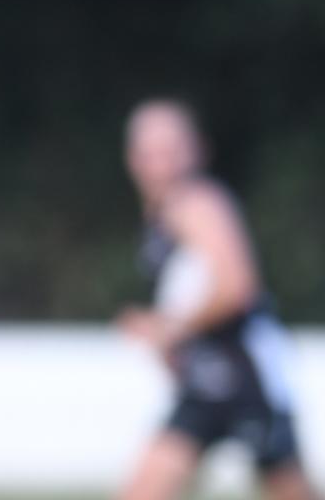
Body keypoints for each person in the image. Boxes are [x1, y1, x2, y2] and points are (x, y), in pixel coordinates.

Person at [117, 98, 315, 500]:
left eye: (172, 150)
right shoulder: (162, 212)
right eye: (150, 153)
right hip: (207, 379)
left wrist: (168, 328)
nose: (162, 163)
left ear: (197, 151)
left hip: (244, 377)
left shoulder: (197, 203)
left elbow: (236, 286)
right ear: (133, 159)